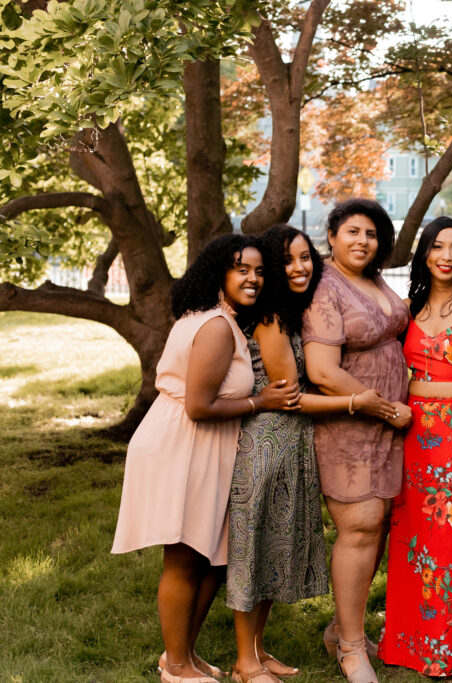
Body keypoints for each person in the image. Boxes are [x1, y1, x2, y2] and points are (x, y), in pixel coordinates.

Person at [112, 234, 300, 683]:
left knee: (210, 558)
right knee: (182, 558)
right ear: (219, 273)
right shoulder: (215, 325)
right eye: (241, 269)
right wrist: (261, 403)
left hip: (201, 445)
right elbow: (199, 405)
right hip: (183, 444)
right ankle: (175, 667)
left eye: (258, 270)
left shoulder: (217, 318)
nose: (252, 277)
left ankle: (184, 656)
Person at [226, 225, 395, 683]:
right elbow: (292, 397)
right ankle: (245, 662)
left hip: (292, 442)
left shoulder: (290, 310)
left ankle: (258, 652)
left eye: (305, 257)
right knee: (255, 553)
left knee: (274, 552)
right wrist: (360, 402)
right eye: (287, 261)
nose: (299, 267)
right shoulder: (272, 319)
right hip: (268, 442)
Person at [378, 217, 452, 676]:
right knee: (415, 545)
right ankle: (409, 644)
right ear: (425, 253)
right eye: (438, 247)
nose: (447, 256)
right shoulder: (411, 309)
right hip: (413, 439)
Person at [302, 200, 412, 683]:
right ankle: (350, 648)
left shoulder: (373, 279)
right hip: (350, 420)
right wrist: (386, 408)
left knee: (380, 524)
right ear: (331, 235)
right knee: (361, 525)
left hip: (387, 424)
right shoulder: (324, 287)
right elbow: (323, 371)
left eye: (371, 233)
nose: (363, 241)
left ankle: (341, 629)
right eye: (352, 231)